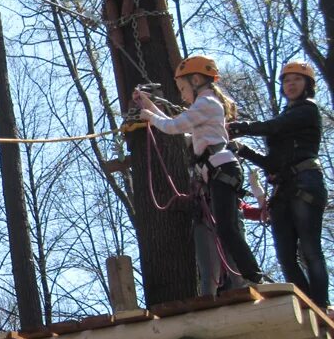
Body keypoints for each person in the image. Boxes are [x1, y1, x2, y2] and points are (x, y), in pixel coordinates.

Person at [134, 55, 264, 291]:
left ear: (196, 80)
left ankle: (253, 278)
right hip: (218, 170)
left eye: (183, 88)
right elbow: (173, 123)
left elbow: (172, 126)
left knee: (227, 228)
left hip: (222, 168)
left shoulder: (206, 104)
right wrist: (148, 106)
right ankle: (248, 277)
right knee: (225, 228)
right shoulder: (205, 106)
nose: (182, 95)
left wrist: (150, 116)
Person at [228, 60, 328, 308]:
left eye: (297, 79)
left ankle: (322, 303)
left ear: (308, 85)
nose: (290, 84)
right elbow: (271, 164)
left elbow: (274, 126)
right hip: (283, 188)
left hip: (306, 182)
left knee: (310, 249)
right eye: (286, 80)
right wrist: (243, 150)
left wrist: (241, 127)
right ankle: (308, 304)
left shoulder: (307, 110)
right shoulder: (285, 118)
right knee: (285, 255)